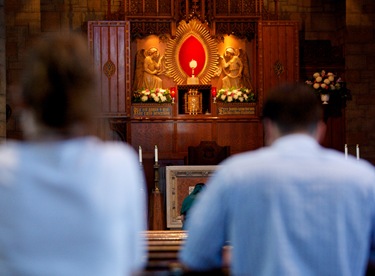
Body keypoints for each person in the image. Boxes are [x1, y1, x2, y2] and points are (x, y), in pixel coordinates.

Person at [179, 83, 375, 275]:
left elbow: (196, 255)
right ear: (321, 128)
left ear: (269, 126)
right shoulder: (363, 177)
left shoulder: (235, 173)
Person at [0, 33, 147, 276]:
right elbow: (132, 264)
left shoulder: (4, 167)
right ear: (88, 100)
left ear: (23, 101)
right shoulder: (119, 164)